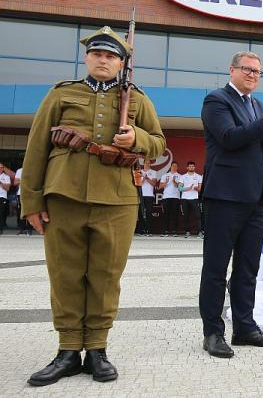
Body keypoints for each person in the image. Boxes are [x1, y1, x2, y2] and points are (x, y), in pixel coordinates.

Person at [22, 26, 165, 386]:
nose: (104, 60)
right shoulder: (61, 94)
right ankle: (69, 350)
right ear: (87, 58)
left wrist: (137, 137)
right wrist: (31, 202)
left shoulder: (138, 100)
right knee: (65, 275)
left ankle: (97, 349)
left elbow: (159, 145)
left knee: (104, 277)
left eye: (112, 56)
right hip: (63, 196)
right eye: (98, 54)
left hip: (116, 201)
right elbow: (37, 148)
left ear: (122, 63)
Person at [199, 50, 263, 358]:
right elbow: (228, 138)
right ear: (232, 70)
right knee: (216, 268)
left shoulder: (258, 105)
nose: (253, 75)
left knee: (248, 269)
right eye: (247, 69)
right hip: (225, 196)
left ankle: (245, 327)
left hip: (256, 198)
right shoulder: (216, 101)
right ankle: (213, 333)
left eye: (258, 71)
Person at [179, 161, 202, 237]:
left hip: (194, 198)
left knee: (198, 215)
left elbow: (200, 189)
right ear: (187, 167)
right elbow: (180, 188)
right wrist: (188, 188)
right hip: (185, 198)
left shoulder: (198, 176)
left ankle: (199, 232)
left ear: (194, 167)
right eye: (190, 166)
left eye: (193, 166)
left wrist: (197, 188)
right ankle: (187, 232)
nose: (191, 167)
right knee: (186, 216)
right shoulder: (183, 176)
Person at [159, 161, 181, 237]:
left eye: (176, 166)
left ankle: (175, 231)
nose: (174, 167)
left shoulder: (180, 176)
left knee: (175, 214)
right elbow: (160, 186)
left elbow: (181, 187)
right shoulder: (165, 175)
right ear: (170, 166)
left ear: (177, 167)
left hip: (176, 197)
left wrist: (175, 183)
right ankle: (165, 230)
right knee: (165, 214)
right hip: (166, 197)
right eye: (173, 166)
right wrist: (166, 182)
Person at [139, 159, 158, 236]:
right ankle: (141, 230)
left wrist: (147, 178)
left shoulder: (153, 172)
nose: (147, 164)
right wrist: (143, 178)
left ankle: (148, 230)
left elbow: (154, 183)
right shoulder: (139, 172)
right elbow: (138, 184)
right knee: (141, 213)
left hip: (149, 195)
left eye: (149, 163)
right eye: (146, 163)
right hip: (141, 195)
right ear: (143, 163)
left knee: (149, 213)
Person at [0, 162, 10, 234]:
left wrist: (0, 183)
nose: (0, 169)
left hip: (3, 197)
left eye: (1, 167)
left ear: (3, 169)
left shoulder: (6, 177)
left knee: (1, 214)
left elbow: (7, 188)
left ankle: (0, 229)